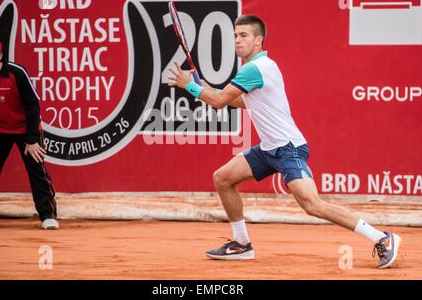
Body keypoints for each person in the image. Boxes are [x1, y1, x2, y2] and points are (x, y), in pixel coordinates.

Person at [168, 15, 401, 269]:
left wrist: (190, 87)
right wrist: (205, 90)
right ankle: (241, 244)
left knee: (312, 205)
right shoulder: (259, 67)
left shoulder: (255, 69)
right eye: (235, 35)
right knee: (223, 178)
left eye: (243, 36)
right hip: (269, 148)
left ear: (258, 40)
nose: (237, 40)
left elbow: (220, 101)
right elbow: (237, 101)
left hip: (288, 148)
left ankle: (381, 237)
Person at [0, 36, 59, 230]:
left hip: (25, 129)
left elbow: (32, 106)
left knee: (37, 171)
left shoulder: (17, 73)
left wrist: (31, 140)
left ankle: (48, 216)